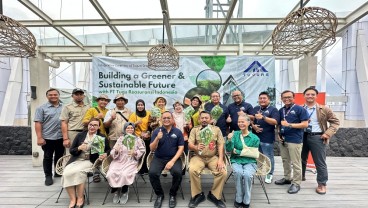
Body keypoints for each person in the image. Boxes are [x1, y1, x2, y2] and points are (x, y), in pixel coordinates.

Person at [61, 118, 110, 208]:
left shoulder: (101, 137)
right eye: (91, 124)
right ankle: (72, 199)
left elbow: (108, 149)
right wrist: (79, 148)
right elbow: (72, 150)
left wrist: (105, 154)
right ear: (88, 125)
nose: (92, 127)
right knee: (66, 173)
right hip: (76, 159)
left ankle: (80, 198)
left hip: (90, 161)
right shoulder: (80, 135)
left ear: (99, 127)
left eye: (95, 125)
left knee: (79, 172)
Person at [301, 87, 340, 195]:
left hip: (317, 137)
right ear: (304, 96)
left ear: (316, 96)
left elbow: (335, 122)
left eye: (312, 94)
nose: (310, 96)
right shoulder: (299, 109)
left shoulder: (324, 109)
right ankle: (300, 177)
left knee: (320, 162)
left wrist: (328, 133)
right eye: (307, 94)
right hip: (301, 136)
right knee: (300, 159)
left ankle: (322, 184)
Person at [188, 111, 226, 208]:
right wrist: (195, 147)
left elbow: (221, 144)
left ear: (210, 119)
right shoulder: (194, 130)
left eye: (206, 118)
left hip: (212, 157)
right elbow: (189, 144)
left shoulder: (216, 129)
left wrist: (221, 159)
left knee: (223, 172)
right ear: (199, 119)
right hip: (198, 157)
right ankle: (197, 195)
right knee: (192, 170)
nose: (204, 120)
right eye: (202, 118)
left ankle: (214, 195)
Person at [275, 90, 309, 194]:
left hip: (295, 140)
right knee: (285, 160)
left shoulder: (300, 109)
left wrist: (289, 125)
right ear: (281, 99)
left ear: (293, 97)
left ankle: (296, 183)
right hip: (283, 139)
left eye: (289, 97)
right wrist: (278, 134)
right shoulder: (281, 110)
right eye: (284, 97)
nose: (287, 99)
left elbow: (305, 124)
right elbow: (279, 124)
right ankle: (287, 178)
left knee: (296, 162)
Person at [149, 111, 184, 208]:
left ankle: (172, 194)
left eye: (168, 118)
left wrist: (172, 161)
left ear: (172, 119)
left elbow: (181, 148)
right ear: (161, 119)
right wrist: (157, 138)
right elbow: (152, 148)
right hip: (159, 158)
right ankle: (159, 195)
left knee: (177, 173)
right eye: (164, 118)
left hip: (174, 158)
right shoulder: (157, 131)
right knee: (152, 173)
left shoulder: (177, 132)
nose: (166, 120)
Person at [106, 122, 146, 204]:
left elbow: (142, 150)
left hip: (130, 160)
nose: (130, 129)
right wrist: (116, 151)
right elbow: (113, 150)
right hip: (119, 159)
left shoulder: (137, 139)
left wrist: (135, 153)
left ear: (134, 130)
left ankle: (124, 191)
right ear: (125, 129)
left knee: (124, 173)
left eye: (132, 128)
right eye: (128, 128)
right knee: (111, 173)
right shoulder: (120, 139)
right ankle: (116, 190)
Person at [226, 114, 260, 208]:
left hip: (250, 161)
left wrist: (237, 151)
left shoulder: (255, 138)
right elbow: (229, 149)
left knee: (247, 175)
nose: (240, 123)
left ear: (249, 123)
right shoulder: (235, 134)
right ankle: (238, 198)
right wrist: (229, 139)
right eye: (239, 122)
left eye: (243, 121)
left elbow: (252, 153)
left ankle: (246, 200)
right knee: (238, 173)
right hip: (236, 160)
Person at [34, 88, 65, 186]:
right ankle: (48, 175)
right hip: (47, 137)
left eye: (55, 94)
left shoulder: (64, 107)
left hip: (61, 137)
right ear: (47, 96)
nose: (53, 96)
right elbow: (38, 123)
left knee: (59, 156)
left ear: (58, 95)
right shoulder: (41, 108)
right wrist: (39, 137)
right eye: (50, 95)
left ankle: (57, 172)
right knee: (48, 157)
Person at [251, 91, 280, 184]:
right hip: (255, 137)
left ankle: (269, 173)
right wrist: (253, 126)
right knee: (257, 155)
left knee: (268, 156)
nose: (262, 100)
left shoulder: (273, 109)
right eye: (260, 98)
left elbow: (275, 122)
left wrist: (263, 117)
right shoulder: (256, 108)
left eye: (264, 98)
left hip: (267, 138)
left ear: (269, 100)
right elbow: (251, 119)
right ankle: (259, 170)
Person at [60, 88, 90, 154]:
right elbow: (64, 123)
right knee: (70, 153)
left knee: (84, 153)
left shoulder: (88, 107)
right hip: (72, 133)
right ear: (72, 96)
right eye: (76, 94)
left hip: (85, 133)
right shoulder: (67, 107)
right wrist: (65, 139)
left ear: (84, 96)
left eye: (81, 94)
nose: (79, 96)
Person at [129, 99, 152, 175]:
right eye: (138, 105)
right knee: (139, 153)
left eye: (142, 105)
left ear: (144, 106)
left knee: (147, 152)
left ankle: (147, 168)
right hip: (137, 138)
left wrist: (148, 132)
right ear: (136, 106)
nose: (140, 106)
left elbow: (151, 124)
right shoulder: (133, 115)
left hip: (147, 137)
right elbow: (129, 127)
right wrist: (135, 123)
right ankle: (140, 169)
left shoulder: (148, 113)